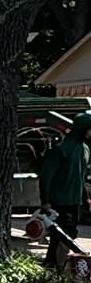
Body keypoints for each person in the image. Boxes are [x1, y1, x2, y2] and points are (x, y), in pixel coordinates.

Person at [38, 111, 91, 268]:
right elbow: (46, 176)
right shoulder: (61, 149)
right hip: (58, 201)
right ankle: (56, 265)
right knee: (64, 235)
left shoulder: (85, 149)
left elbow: (80, 176)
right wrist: (45, 200)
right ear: (82, 128)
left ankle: (53, 264)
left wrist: (85, 198)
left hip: (74, 201)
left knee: (64, 235)